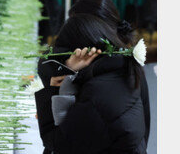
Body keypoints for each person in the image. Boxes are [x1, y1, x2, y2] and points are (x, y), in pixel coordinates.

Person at [35, 13, 148, 154]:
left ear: (84, 53)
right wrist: (71, 72)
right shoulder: (123, 72)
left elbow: (56, 143)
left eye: (67, 54)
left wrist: (51, 91)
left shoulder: (96, 94)